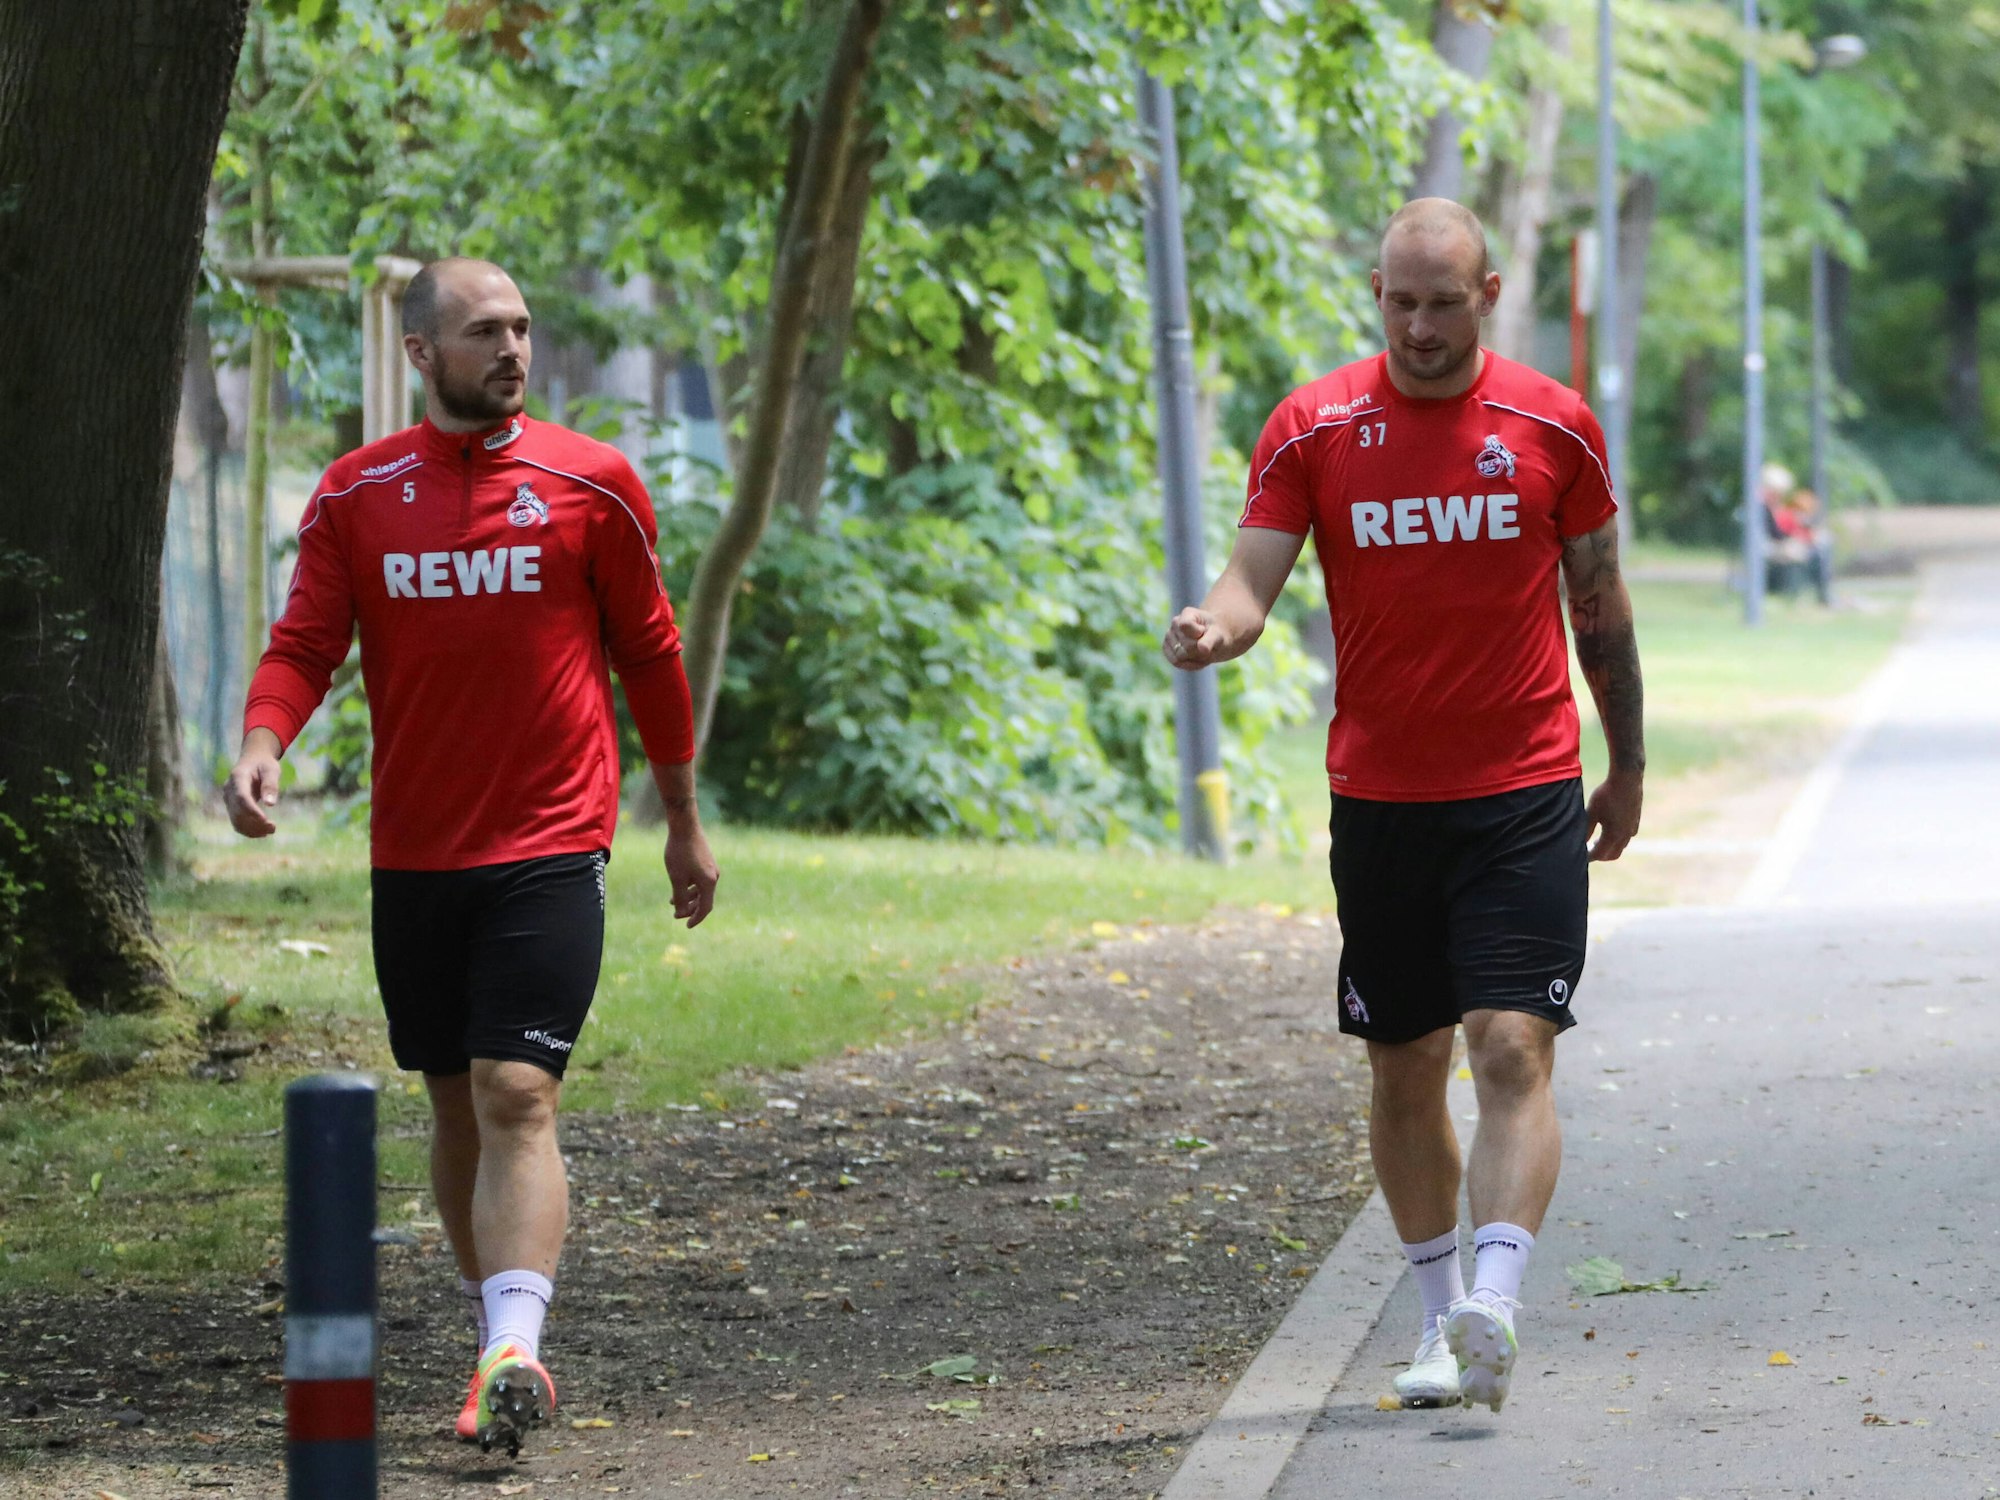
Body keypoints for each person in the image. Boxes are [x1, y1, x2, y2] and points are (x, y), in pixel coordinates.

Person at [224, 258, 719, 1454]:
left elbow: (649, 656)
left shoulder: (589, 484)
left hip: (550, 841)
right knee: (451, 1098)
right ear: (418, 355)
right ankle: (494, 1327)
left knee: (516, 1089)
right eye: (483, 332)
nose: (511, 350)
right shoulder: (355, 494)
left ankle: (516, 1348)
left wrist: (682, 820)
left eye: (522, 330)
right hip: (417, 852)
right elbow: (306, 640)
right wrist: (260, 740)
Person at [1162, 199, 1644, 1415]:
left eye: (1440, 301)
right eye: (1396, 300)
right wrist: (1214, 625)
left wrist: (1624, 761)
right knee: (1402, 1063)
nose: (1417, 325)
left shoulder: (1551, 427)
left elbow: (1599, 603)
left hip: (1523, 790)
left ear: (1486, 296)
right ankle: (1437, 1325)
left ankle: (1493, 1297)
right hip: (1378, 797)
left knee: (1510, 1042)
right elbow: (1251, 574)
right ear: (1375, 294)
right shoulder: (1313, 425)